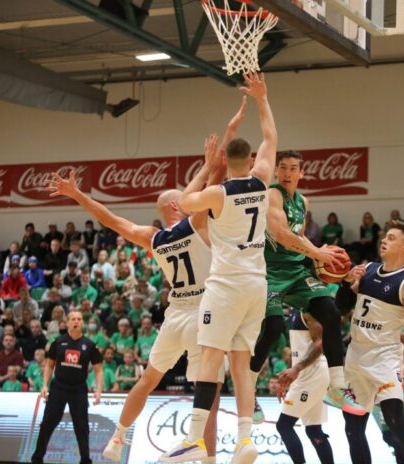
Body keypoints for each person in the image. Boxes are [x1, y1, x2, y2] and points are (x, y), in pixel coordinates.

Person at [47, 110, 244, 464]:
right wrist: (218, 150)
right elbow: (217, 177)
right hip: (203, 313)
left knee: (149, 378)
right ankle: (207, 458)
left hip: (175, 315)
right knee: (210, 390)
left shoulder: (153, 237)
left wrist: (77, 195)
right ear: (178, 205)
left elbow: (109, 219)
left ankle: (118, 437)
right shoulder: (196, 223)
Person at [168, 72, 277, 463]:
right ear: (251, 160)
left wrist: (205, 166)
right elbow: (270, 138)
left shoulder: (217, 194)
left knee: (210, 357)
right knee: (241, 364)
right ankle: (245, 439)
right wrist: (262, 99)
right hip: (257, 285)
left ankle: (194, 439)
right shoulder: (262, 181)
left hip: (226, 286)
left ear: (225, 161)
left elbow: (183, 202)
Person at [249, 148, 356, 424]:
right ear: (276, 171)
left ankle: (337, 386)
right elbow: (281, 234)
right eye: (283, 167)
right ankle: (247, 391)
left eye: (293, 168)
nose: (287, 173)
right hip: (270, 271)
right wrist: (318, 253)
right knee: (273, 329)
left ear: (302, 173)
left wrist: (321, 257)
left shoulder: (303, 202)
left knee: (331, 313)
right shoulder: (272, 195)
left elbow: (298, 236)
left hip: (296, 271)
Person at [340, 221, 404, 464]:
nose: (384, 241)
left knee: (395, 420)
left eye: (391, 238)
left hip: (385, 357)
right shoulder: (367, 269)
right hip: (356, 356)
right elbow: (342, 306)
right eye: (384, 237)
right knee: (352, 428)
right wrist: (346, 282)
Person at [30, 310, 103, 464]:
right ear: (68, 322)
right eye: (73, 319)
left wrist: (98, 390)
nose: (76, 321)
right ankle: (37, 459)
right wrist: (44, 385)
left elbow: (98, 370)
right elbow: (49, 365)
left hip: (78, 389)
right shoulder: (58, 342)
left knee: (82, 427)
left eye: (79, 319)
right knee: (47, 424)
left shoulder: (90, 345)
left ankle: (85, 460)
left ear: (82, 323)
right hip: (58, 388)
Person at [275, 310, 334, 464]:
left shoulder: (309, 309)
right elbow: (298, 352)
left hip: (312, 373)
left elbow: (321, 345)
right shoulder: (295, 311)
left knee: (284, 426)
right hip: (308, 373)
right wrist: (288, 378)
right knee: (314, 430)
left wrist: (297, 368)